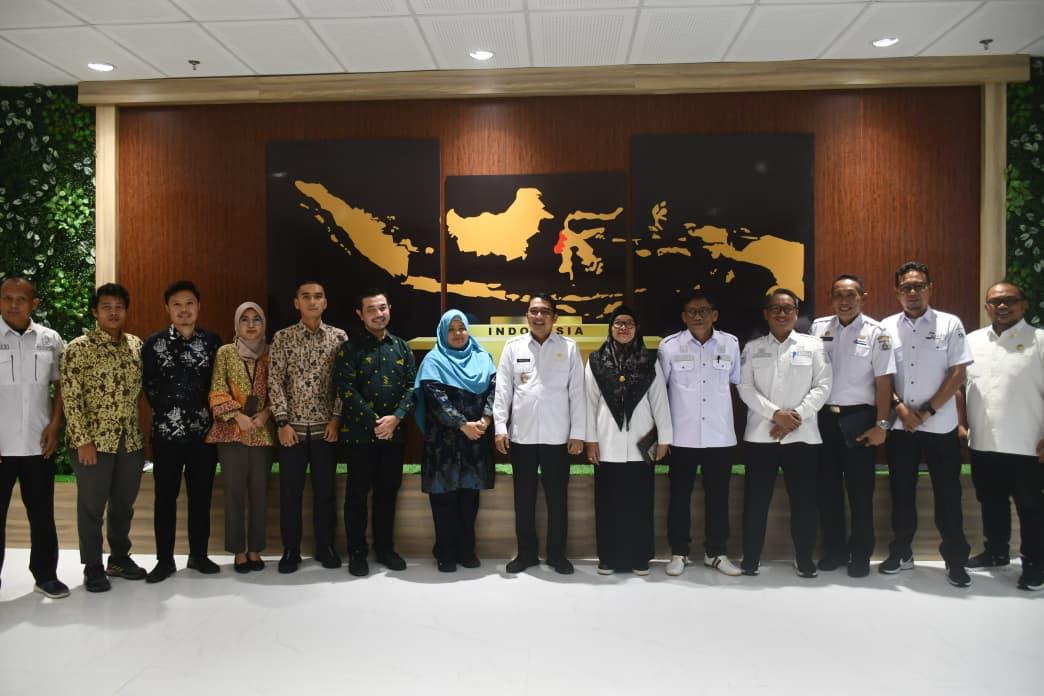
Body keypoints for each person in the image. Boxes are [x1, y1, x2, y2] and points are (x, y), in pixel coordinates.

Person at [880, 261, 973, 587]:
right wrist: (900, 408)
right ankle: (901, 553)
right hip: (901, 427)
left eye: (918, 286)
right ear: (897, 292)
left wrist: (927, 411)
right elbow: (882, 375)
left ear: (930, 288)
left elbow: (958, 373)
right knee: (901, 493)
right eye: (906, 287)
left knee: (947, 495)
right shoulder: (886, 327)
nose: (913, 292)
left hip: (940, 426)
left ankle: (956, 561)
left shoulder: (950, 323)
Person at [738, 289, 831, 578]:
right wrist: (775, 415)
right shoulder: (752, 348)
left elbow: (823, 386)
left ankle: (804, 559)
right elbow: (745, 388)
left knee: (803, 502)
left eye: (788, 308)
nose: (782, 314)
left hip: (803, 436)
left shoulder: (813, 346)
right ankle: (750, 559)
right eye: (776, 309)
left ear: (796, 313)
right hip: (761, 435)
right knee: (756, 501)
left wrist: (795, 417)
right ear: (766, 313)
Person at [60, 283, 147, 592]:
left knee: (124, 504)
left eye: (118, 307)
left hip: (130, 440)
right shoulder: (78, 348)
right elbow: (71, 399)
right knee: (92, 506)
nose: (113, 312)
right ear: (95, 312)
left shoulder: (136, 345)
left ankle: (119, 558)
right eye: (106, 307)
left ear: (126, 311)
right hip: (93, 442)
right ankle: (93, 565)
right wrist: (82, 441)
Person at [809, 275, 895, 578]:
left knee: (860, 492)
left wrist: (882, 424)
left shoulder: (877, 333)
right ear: (831, 298)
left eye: (851, 295)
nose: (844, 301)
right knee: (827, 490)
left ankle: (860, 554)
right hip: (824, 420)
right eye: (838, 295)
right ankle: (834, 550)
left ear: (862, 297)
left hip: (860, 419)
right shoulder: (818, 328)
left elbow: (884, 383)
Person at [961, 281, 1044, 591]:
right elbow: (960, 386)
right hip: (983, 441)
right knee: (991, 501)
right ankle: (996, 552)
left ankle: (1035, 563)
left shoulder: (1040, 340)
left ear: (1024, 304)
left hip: (1028, 444)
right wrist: (961, 423)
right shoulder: (972, 341)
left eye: (1009, 300)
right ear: (986, 307)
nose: (1002, 306)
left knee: (1030, 506)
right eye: (995, 302)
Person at [494, 293, 585, 576]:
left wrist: (578, 433)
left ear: (554, 317)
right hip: (522, 436)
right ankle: (526, 554)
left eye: (545, 311)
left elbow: (577, 393)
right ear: (527, 316)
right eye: (533, 311)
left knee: (557, 500)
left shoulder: (569, 347)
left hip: (557, 437)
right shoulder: (513, 347)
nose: (538, 316)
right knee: (524, 499)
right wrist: (500, 427)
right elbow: (503, 390)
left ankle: (557, 555)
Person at [142, 280, 222, 583]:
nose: (184, 309)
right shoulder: (153, 344)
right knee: (165, 499)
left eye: (189, 303)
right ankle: (164, 561)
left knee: (201, 498)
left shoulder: (213, 342)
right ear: (167, 308)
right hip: (167, 436)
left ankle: (199, 555)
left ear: (198, 307)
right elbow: (149, 386)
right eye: (177, 304)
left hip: (204, 435)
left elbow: (218, 384)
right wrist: (171, 412)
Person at [657, 292, 742, 577]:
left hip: (720, 436)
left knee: (718, 498)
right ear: (683, 316)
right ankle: (678, 552)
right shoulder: (669, 346)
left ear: (714, 315)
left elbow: (736, 382)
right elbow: (660, 392)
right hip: (682, 437)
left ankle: (716, 553)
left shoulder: (730, 344)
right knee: (679, 498)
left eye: (704, 311)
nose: (698, 316)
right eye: (692, 311)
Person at [584, 305, 672, 575]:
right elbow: (588, 403)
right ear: (610, 327)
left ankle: (640, 557)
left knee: (640, 503)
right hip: (606, 442)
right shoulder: (596, 360)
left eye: (629, 323)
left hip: (641, 443)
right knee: (607, 503)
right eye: (618, 323)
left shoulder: (649, 360)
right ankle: (608, 557)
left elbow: (660, 401)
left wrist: (665, 439)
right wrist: (590, 441)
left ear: (637, 328)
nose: (623, 328)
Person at [335, 289, 416, 577]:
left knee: (387, 493)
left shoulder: (402, 347)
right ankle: (357, 552)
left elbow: (412, 387)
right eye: (371, 309)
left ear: (389, 308)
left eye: (382, 307)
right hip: (360, 436)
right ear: (360, 314)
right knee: (357, 495)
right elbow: (346, 389)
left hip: (394, 435)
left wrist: (395, 419)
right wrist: (375, 422)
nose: (378, 314)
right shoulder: (349, 348)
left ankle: (385, 549)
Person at [268, 281, 347, 573]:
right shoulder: (283, 338)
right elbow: (275, 381)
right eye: (306, 297)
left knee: (325, 492)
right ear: (296, 303)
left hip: (326, 429)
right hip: (292, 430)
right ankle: (291, 550)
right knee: (291, 493)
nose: (312, 302)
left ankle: (325, 546)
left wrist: (336, 418)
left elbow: (343, 383)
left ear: (325, 302)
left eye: (318, 297)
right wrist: (282, 422)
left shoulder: (339, 337)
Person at [0, 277, 69, 598]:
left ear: (34, 304)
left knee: (42, 515)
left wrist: (55, 425)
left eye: (21, 299)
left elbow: (61, 387)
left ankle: (45, 576)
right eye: (7, 298)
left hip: (39, 444)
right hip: (1, 445)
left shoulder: (50, 339)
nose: (13, 305)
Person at [415, 309, 496, 573]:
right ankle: (445, 552)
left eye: (462, 328)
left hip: (475, 441)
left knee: (469, 500)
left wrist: (485, 419)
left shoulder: (483, 358)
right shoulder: (433, 361)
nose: (458, 333)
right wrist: (463, 425)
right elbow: (436, 400)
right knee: (444, 500)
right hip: (443, 444)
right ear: (442, 332)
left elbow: (495, 390)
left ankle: (466, 550)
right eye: (451, 329)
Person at [207, 302, 275, 573]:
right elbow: (216, 389)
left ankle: (255, 549)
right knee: (234, 493)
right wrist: (237, 416)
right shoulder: (226, 352)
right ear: (237, 324)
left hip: (262, 431)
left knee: (259, 493)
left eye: (256, 319)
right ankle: (238, 551)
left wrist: (266, 414)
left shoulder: (271, 353)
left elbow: (279, 389)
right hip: (232, 433)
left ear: (263, 324)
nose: (250, 325)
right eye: (244, 319)